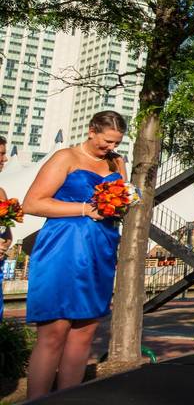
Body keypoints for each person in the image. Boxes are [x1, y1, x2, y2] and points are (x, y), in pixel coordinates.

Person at [22, 111, 127, 399]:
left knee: (85, 332)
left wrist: (121, 205)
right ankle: (37, 401)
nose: (110, 148)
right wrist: (84, 209)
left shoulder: (117, 162)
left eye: (116, 142)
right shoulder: (64, 158)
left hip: (101, 248)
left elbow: (122, 200)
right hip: (63, 248)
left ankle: (69, 399)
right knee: (54, 332)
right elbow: (32, 203)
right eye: (106, 141)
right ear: (92, 130)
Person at [0, 136, 11, 320]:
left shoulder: (1, 192)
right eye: (0, 154)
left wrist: (4, 244)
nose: (5, 159)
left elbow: (7, 231)